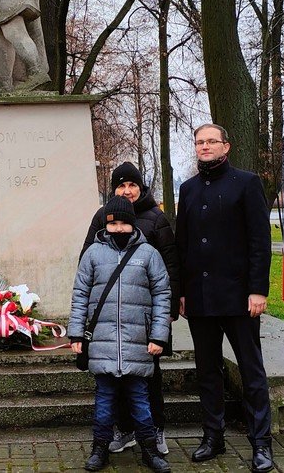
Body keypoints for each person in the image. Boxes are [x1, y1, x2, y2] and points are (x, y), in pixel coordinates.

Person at [175, 124, 274, 473]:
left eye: (211, 141)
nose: (205, 147)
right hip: (200, 298)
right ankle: (212, 437)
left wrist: (258, 289)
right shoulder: (187, 190)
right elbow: (182, 246)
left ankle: (261, 443)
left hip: (239, 296)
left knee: (251, 371)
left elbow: (260, 242)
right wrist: (182, 293)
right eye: (200, 142)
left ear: (226, 146)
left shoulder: (246, 184)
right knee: (207, 372)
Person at [80, 162, 179, 457]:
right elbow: (87, 260)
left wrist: (170, 309)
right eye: (121, 186)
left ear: (141, 187)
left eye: (132, 185)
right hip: (110, 317)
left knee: (149, 378)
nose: (127, 191)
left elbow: (170, 266)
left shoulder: (156, 218)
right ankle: (123, 430)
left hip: (146, 318)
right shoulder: (102, 216)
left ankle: (155, 430)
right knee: (114, 378)